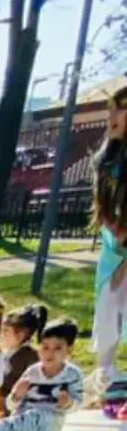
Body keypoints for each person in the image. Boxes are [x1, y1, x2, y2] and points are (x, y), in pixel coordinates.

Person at [0, 318, 82, 431]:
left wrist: (68, 403)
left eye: (57, 348)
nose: (49, 353)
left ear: (69, 349)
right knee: (14, 429)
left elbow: (78, 402)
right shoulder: (32, 371)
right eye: (45, 347)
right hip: (22, 417)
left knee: (28, 419)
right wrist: (17, 395)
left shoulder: (72, 374)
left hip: (50, 419)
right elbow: (11, 405)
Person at [92, 87, 127, 387]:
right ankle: (105, 372)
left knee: (118, 294)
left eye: (120, 110)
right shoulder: (110, 157)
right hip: (114, 243)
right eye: (110, 109)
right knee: (108, 301)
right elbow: (103, 203)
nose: (111, 117)